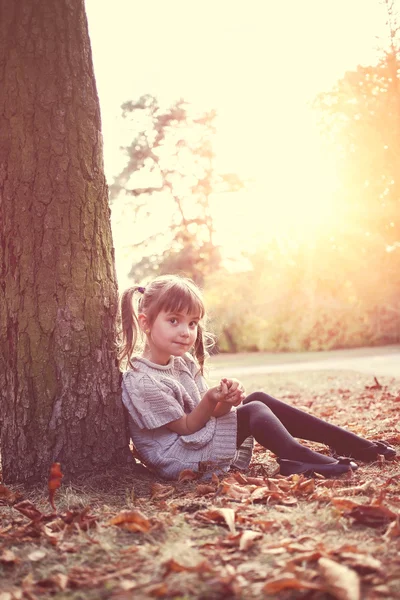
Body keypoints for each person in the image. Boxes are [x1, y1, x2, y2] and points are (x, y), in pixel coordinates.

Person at [118, 274, 396, 481]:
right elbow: (188, 426)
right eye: (174, 321)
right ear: (145, 323)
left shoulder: (182, 363)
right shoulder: (143, 381)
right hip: (180, 457)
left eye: (192, 323)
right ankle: (297, 459)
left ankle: (355, 445)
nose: (186, 331)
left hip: (196, 440)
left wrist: (226, 400)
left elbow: (213, 414)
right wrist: (211, 400)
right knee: (252, 411)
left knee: (256, 399)